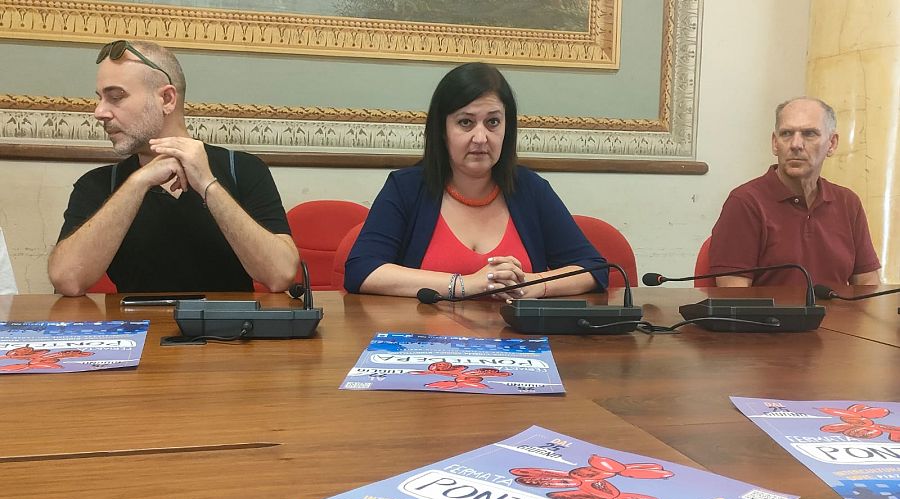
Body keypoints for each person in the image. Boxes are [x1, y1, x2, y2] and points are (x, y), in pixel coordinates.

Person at [48, 40, 298, 296]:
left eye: (116, 97)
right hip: (136, 322)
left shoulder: (242, 170)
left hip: (228, 322)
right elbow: (67, 280)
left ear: (167, 99)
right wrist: (137, 183)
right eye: (100, 98)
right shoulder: (98, 185)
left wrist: (208, 185)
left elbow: (280, 276)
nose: (99, 112)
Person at [344, 62, 607, 298]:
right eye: (465, 123)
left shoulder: (530, 189)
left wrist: (536, 284)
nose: (481, 138)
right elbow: (362, 270)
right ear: (442, 130)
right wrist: (465, 284)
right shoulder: (406, 188)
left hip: (514, 335)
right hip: (423, 335)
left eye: (493, 122)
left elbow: (594, 268)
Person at [709, 97, 880, 287]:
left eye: (809, 134)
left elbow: (868, 284)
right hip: (770, 309)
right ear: (775, 143)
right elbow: (734, 295)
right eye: (786, 134)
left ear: (831, 143)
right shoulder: (745, 202)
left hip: (838, 308)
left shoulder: (848, 203)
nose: (796, 144)